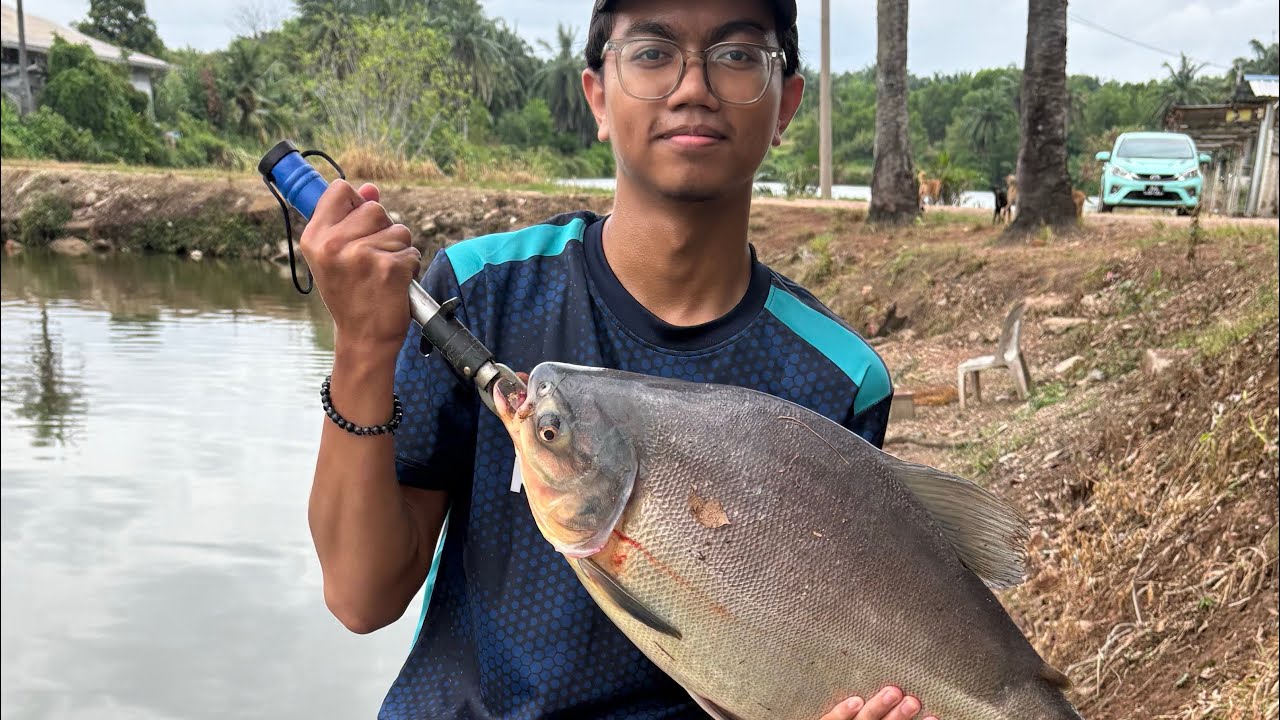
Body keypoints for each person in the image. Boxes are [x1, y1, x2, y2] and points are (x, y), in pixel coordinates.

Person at [299, 0, 939, 718]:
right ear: (597, 95)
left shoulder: (836, 377)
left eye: (735, 55)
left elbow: (812, 642)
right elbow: (360, 594)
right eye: (653, 52)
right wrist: (361, 347)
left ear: (786, 103)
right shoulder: (479, 294)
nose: (692, 87)